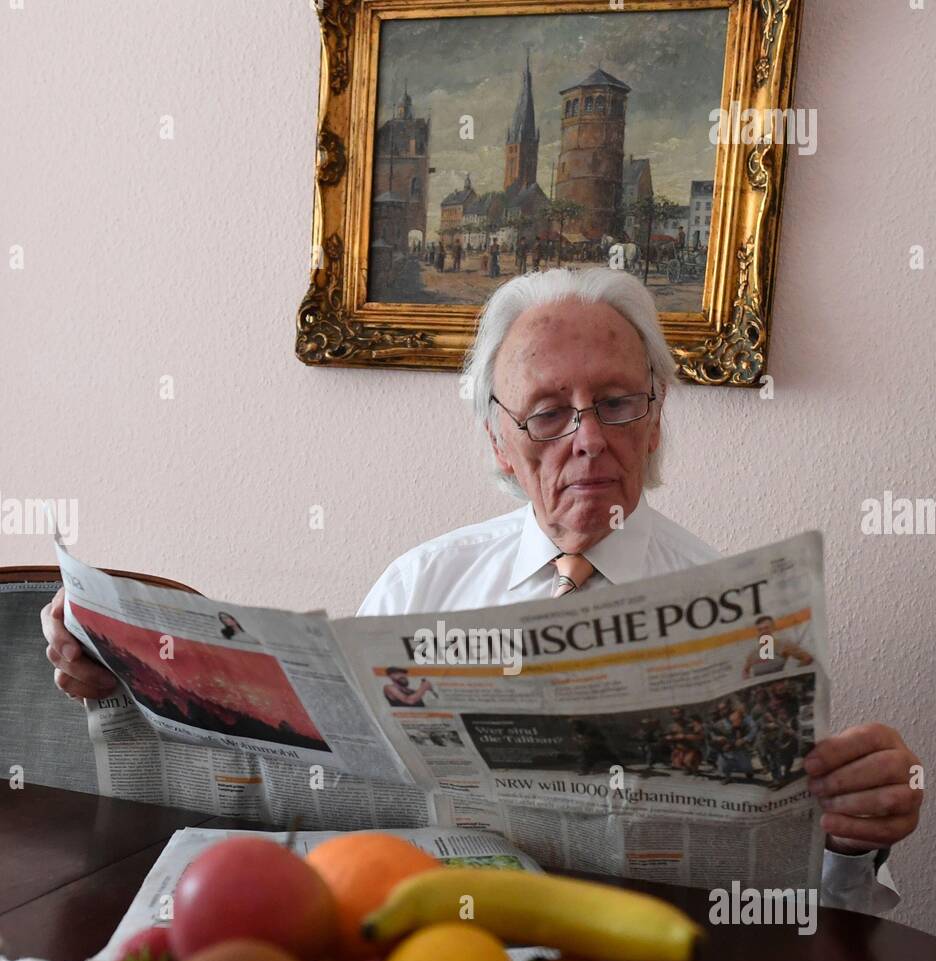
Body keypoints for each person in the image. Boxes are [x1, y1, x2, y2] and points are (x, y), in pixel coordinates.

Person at [42, 267, 923, 915]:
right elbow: (317, 805)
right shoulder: (422, 585)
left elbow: (823, 908)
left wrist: (854, 836)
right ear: (500, 444)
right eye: (548, 413)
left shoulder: (752, 622)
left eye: (616, 403)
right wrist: (113, 674)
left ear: (655, 423)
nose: (586, 439)